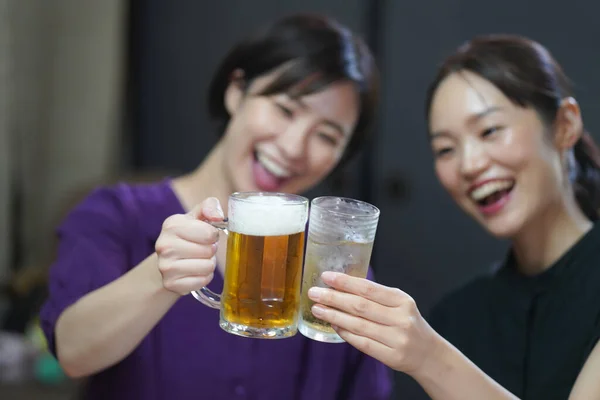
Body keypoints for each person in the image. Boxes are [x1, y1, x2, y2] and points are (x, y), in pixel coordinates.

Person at [39, 13, 392, 400]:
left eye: (326, 135)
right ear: (236, 91)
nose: (293, 148)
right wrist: (158, 276)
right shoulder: (113, 214)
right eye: (285, 109)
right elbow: (72, 354)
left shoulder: (335, 267)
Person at [305, 34, 600, 399]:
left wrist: (429, 357)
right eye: (446, 149)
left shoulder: (431, 343)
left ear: (564, 125)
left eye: (490, 131)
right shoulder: (458, 319)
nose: (470, 165)